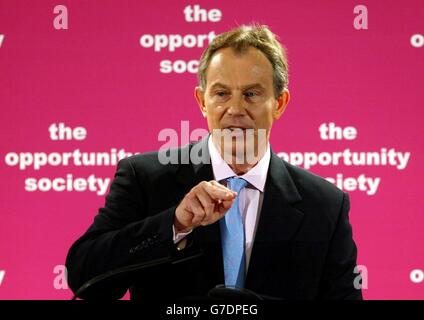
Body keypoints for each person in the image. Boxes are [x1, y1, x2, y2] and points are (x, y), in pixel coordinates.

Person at [66, 24, 362, 300]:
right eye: (221, 94)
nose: (235, 109)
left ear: (280, 103)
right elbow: (83, 277)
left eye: (251, 94)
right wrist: (175, 224)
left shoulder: (325, 205)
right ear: (202, 102)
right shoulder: (145, 178)